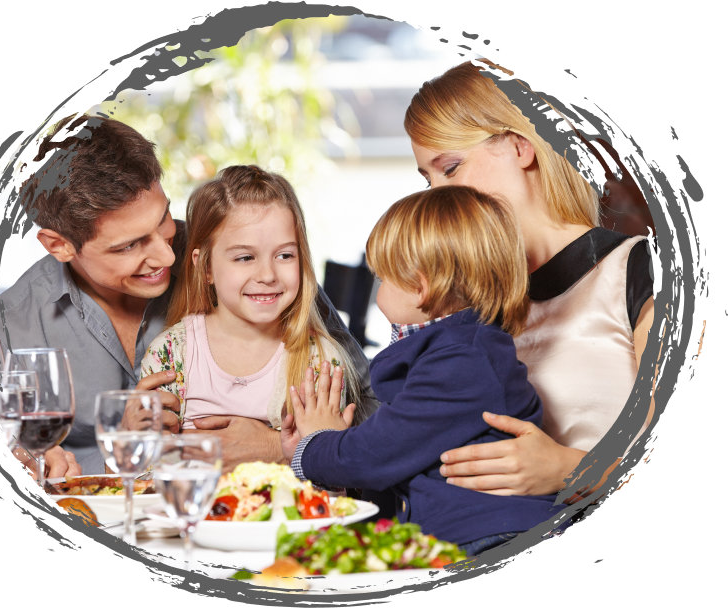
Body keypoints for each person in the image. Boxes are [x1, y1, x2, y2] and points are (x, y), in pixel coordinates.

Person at [0, 115, 377, 475]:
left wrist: (279, 446)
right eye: (130, 246)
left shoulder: (244, 260)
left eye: (164, 219)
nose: (170, 255)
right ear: (60, 246)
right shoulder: (10, 329)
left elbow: (374, 407)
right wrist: (102, 456)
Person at [402, 60, 656, 498]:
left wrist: (568, 471)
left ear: (520, 147)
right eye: (428, 180)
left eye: (451, 168)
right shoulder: (471, 309)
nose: (439, 197)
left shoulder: (643, 272)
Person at [281, 186, 567, 555]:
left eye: (382, 278)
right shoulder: (450, 354)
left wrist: (312, 447)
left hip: (495, 537)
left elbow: (375, 456)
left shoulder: (464, 362)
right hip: (461, 536)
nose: (379, 289)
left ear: (419, 287)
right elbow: (402, 448)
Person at [141, 165, 361, 453]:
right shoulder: (171, 354)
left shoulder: (320, 360)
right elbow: (145, 474)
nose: (267, 275)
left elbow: (331, 476)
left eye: (285, 255)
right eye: (245, 257)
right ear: (205, 266)